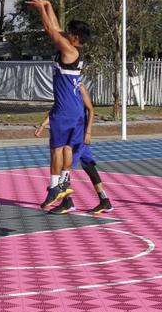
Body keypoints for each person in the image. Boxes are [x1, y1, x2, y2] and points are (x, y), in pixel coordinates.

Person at [26, 0, 90, 211]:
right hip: (76, 110)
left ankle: (55, 186)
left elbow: (50, 29)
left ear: (74, 37)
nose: (65, 33)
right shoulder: (76, 50)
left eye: (68, 33)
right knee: (67, 148)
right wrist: (49, 5)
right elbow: (57, 28)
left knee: (55, 149)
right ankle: (65, 187)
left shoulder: (68, 50)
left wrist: (40, 10)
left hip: (64, 109)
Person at [35, 84, 113, 215]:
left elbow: (91, 110)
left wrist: (88, 132)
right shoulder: (62, 91)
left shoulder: (79, 87)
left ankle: (67, 202)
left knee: (64, 165)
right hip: (72, 133)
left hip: (78, 135)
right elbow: (56, 110)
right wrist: (43, 125)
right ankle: (104, 200)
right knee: (88, 166)